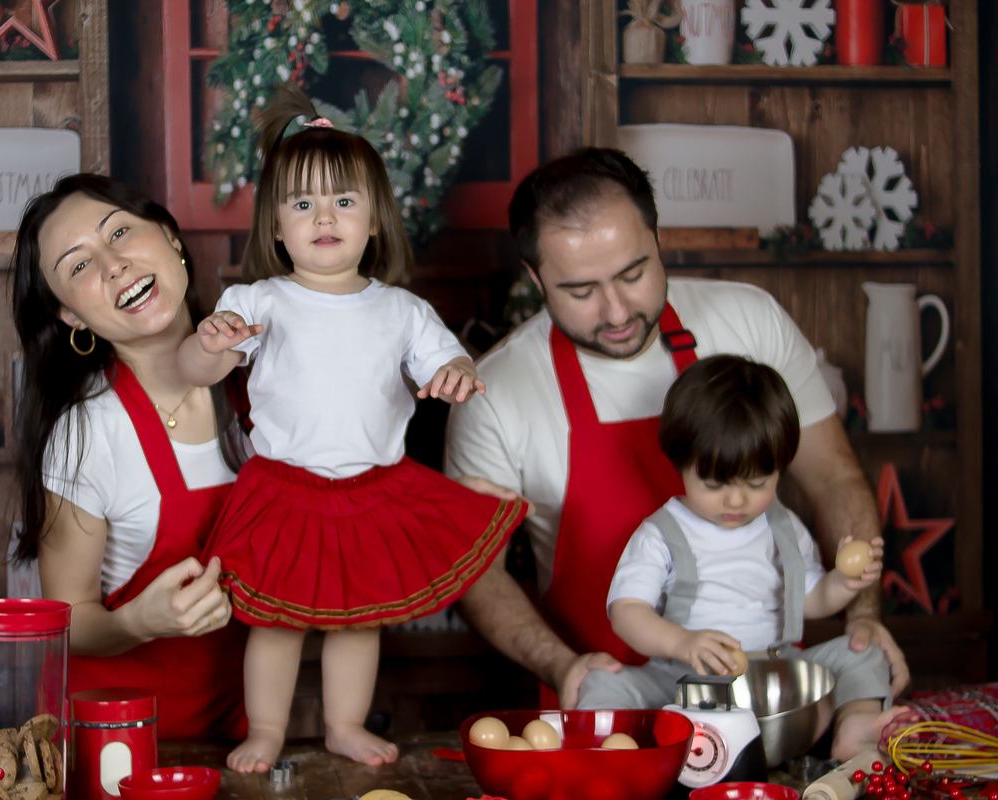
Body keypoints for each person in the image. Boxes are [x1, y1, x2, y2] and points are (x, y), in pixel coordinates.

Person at [445, 147, 909, 711]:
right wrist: (562, 666)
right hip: (617, 705)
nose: (616, 312)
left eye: (632, 273)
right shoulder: (497, 393)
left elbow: (833, 476)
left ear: (658, 239)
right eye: (580, 291)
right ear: (535, 277)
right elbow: (475, 573)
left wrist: (862, 618)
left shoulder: (749, 321)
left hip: (764, 691)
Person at [178, 84, 529, 773]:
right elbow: (196, 370)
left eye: (344, 201)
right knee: (277, 621)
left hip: (374, 487)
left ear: (374, 221)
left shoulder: (400, 309)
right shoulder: (260, 301)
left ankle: (342, 723)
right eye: (302, 204)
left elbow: (444, 359)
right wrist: (210, 340)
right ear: (276, 228)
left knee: (358, 617)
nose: (324, 217)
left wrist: (456, 371)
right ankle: (270, 730)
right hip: (285, 487)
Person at [10, 174, 251, 740]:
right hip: (117, 751)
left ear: (169, 236)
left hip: (244, 737)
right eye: (78, 266)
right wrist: (139, 621)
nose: (112, 264)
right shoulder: (87, 433)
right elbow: (66, 620)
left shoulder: (260, 384)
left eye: (119, 231)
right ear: (71, 316)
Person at [579, 354, 898, 760]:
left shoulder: (783, 527)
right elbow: (626, 612)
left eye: (756, 483)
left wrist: (843, 584)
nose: (736, 500)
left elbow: (811, 599)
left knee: (860, 650)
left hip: (777, 679)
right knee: (603, 683)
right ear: (681, 464)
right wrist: (682, 642)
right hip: (682, 680)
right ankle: (612, 760)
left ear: (780, 469)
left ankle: (855, 730)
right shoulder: (662, 533)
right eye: (714, 484)